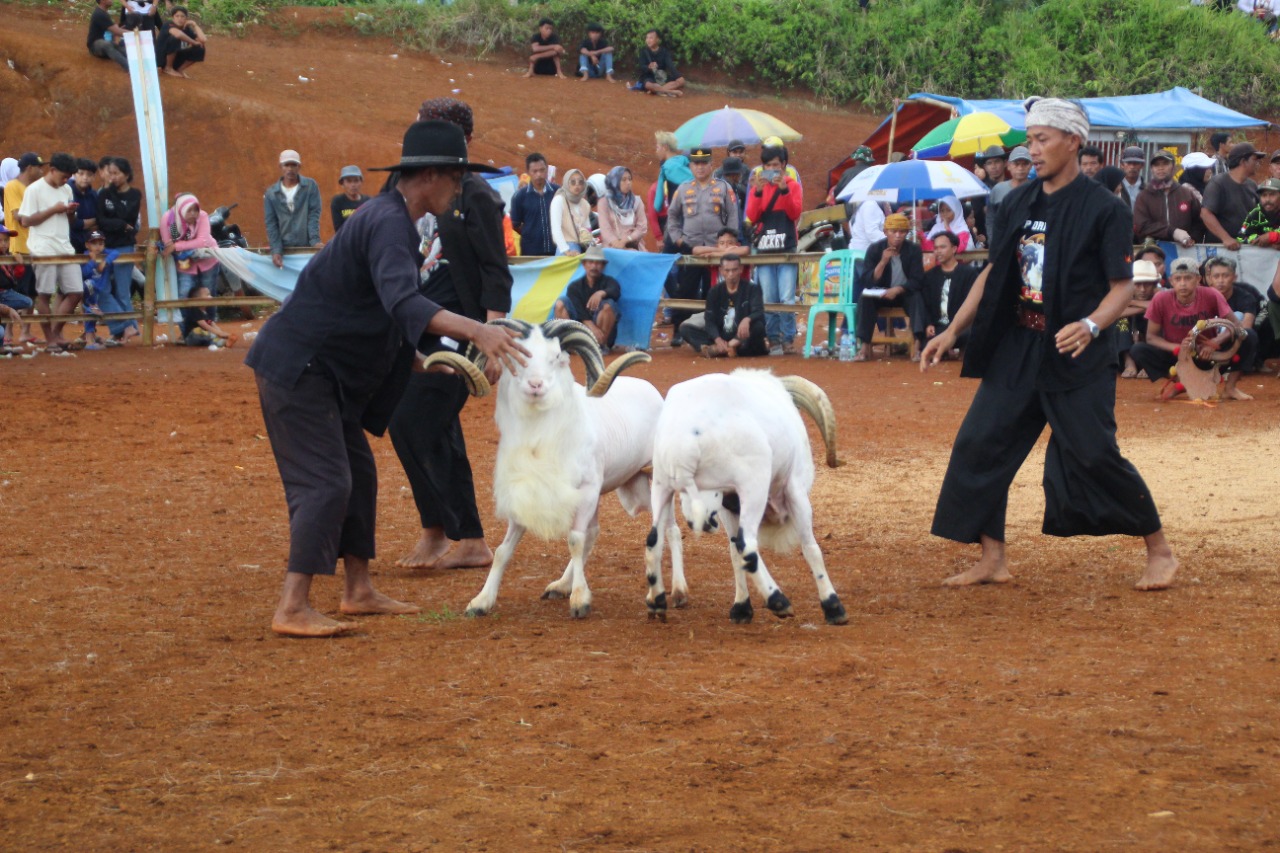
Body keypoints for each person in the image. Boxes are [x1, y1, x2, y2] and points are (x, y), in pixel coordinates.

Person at [245, 120, 528, 638]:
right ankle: (292, 605)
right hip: (299, 368)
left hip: (320, 371)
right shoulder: (388, 223)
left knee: (359, 474)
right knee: (326, 482)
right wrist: (480, 332)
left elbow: (381, 313)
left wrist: (432, 360)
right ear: (432, 177)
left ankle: (357, 591)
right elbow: (404, 303)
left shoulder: (392, 221)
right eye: (457, 178)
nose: (461, 188)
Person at [920, 95, 1177, 592]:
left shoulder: (1105, 209)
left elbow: (1122, 286)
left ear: (1072, 141)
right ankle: (993, 558)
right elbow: (995, 272)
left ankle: (1160, 550)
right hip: (1019, 344)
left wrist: (1092, 325)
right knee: (982, 443)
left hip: (1078, 351)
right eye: (1028, 139)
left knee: (1094, 453)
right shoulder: (1016, 200)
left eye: (1041, 139)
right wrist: (953, 330)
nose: (1031, 150)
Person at [389, 97, 515, 575]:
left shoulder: (477, 195)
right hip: (415, 325)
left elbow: (494, 270)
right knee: (415, 423)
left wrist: (493, 336)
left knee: (419, 420)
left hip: (462, 327)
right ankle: (446, 531)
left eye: (429, 128)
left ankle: (462, 535)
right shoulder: (401, 183)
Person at [1129, 257, 1254, 400]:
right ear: (1171, 281)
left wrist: (1215, 342)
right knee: (1138, 349)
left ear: (1198, 279)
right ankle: (1183, 383)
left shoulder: (1211, 294)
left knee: (1248, 335)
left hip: (1206, 355)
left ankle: (1230, 388)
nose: (1182, 284)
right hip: (1177, 356)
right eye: (1178, 279)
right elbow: (1151, 337)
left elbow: (1236, 325)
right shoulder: (1161, 299)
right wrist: (1177, 348)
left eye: (1188, 278)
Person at [665, 146, 740, 346]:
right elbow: (672, 216)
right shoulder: (683, 189)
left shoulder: (724, 187)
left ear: (711, 165)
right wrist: (679, 240)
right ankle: (679, 330)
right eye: (696, 163)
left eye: (704, 163)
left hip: (717, 251)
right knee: (685, 290)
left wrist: (729, 242)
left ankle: (711, 331)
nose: (700, 168)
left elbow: (733, 215)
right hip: (691, 249)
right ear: (690, 166)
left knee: (713, 291)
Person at [17, 153, 84, 351]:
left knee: (75, 292)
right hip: (42, 247)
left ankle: (55, 334)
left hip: (64, 246)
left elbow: (70, 221)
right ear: (52, 170)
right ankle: (51, 338)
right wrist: (54, 210)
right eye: (63, 176)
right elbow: (26, 221)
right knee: (44, 294)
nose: (65, 180)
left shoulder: (67, 189)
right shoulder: (34, 190)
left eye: (68, 177)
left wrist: (70, 212)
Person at [745, 143, 802, 355]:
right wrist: (758, 193)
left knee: (787, 296)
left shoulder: (792, 185)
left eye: (776, 165)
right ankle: (774, 339)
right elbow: (752, 216)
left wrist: (784, 190)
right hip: (765, 249)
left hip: (786, 246)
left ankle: (787, 339)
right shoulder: (758, 188)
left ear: (784, 165)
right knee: (768, 296)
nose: (772, 169)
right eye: (768, 165)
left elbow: (794, 213)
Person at [852, 213, 926, 361]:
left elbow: (917, 280)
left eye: (902, 232)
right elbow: (867, 280)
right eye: (893, 231)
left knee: (917, 298)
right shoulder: (874, 249)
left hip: (904, 293)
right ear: (885, 232)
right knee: (865, 298)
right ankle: (864, 346)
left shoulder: (913, 250)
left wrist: (898, 289)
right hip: (881, 293)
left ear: (906, 233)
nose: (898, 235)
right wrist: (883, 261)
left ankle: (917, 345)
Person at [160, 191, 223, 337]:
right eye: (190, 210)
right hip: (184, 263)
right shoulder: (169, 220)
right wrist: (177, 247)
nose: (194, 213)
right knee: (184, 293)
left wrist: (177, 246)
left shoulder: (203, 216)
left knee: (208, 293)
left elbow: (203, 241)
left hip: (208, 260)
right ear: (181, 209)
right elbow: (167, 243)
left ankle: (210, 330)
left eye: (196, 209)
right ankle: (186, 331)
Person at [680, 254, 766, 357]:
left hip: (742, 338)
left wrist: (747, 319)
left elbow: (759, 311)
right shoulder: (714, 291)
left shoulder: (752, 289)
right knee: (685, 329)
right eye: (727, 270)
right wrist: (717, 338)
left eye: (734, 270)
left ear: (741, 269)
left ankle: (721, 349)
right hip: (722, 334)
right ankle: (725, 348)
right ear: (721, 270)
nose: (731, 274)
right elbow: (709, 319)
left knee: (758, 327)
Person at [95, 156, 142, 343]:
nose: (112, 177)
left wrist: (119, 222)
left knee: (122, 290)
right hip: (105, 247)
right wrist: (121, 224)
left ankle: (121, 332)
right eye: (110, 173)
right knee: (103, 289)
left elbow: (128, 217)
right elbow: (101, 221)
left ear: (126, 174)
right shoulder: (103, 194)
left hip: (124, 246)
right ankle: (127, 327)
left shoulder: (134, 194)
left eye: (116, 173)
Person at [1203, 255, 1263, 374]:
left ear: (1234, 277)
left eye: (1225, 276)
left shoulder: (1246, 297)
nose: (1220, 280)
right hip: (1204, 344)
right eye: (1216, 276)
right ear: (1209, 278)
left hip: (1229, 343)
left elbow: (1246, 327)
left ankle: (1235, 368)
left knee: (1243, 324)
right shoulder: (1201, 296)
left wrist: (1218, 341)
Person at [264, 149, 323, 269]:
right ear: (280, 166)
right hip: (284, 249)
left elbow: (313, 214)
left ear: (299, 166)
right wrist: (276, 250)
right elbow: (271, 223)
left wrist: (314, 241)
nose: (290, 169)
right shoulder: (271, 194)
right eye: (287, 165)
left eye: (293, 165)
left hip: (305, 247)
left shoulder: (310, 186)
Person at [922, 230, 978, 355]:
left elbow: (973, 305)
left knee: (972, 334)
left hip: (961, 327)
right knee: (925, 340)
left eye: (942, 247)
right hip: (938, 327)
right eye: (936, 248)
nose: (938, 251)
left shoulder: (969, 274)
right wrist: (929, 324)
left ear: (954, 249)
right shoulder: (930, 276)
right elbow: (925, 304)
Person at [1134, 149, 1203, 247]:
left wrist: (1193, 238)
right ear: (1151, 169)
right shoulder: (1144, 196)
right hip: (1153, 250)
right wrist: (1173, 232)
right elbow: (1142, 226)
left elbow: (1200, 221)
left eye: (1165, 164)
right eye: (1156, 165)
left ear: (1174, 167)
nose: (1160, 168)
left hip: (1184, 249)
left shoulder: (1186, 193)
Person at [554, 245, 620, 347]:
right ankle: (569, 344)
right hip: (581, 328)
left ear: (603, 266)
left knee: (608, 306)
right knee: (560, 304)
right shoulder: (574, 287)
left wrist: (601, 293)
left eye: (598, 263)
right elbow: (579, 311)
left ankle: (600, 346)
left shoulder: (610, 282)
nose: (594, 266)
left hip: (603, 334)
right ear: (584, 264)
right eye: (591, 262)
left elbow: (616, 291)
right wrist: (592, 328)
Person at [1201, 142, 1262, 248]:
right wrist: (1226, 238)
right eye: (1254, 159)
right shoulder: (1218, 183)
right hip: (1220, 250)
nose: (1257, 163)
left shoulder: (1252, 185)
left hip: (1247, 250)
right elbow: (1205, 214)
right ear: (1243, 162)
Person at [1115, 259, 1161, 378]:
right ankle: (1129, 362)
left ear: (1154, 284)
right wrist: (1146, 306)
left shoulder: (1161, 294)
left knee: (1156, 317)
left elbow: (1160, 305)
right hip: (1128, 346)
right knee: (1121, 321)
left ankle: (1149, 364)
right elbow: (1116, 314)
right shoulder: (1122, 294)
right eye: (1137, 284)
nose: (1142, 289)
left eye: (1147, 284)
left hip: (1153, 351)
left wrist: (1133, 302)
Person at [508, 152, 558, 256]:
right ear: (528, 172)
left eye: (542, 170)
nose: (539, 174)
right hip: (530, 253)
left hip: (556, 250)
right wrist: (529, 233)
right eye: (534, 171)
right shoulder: (519, 197)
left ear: (547, 170)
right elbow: (514, 224)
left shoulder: (558, 192)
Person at [983, 146, 1031, 248]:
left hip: (1029, 244)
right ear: (1009, 165)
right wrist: (993, 242)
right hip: (1003, 244)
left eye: (1025, 164)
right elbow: (991, 219)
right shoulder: (998, 190)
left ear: (1031, 165)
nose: (1020, 168)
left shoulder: (1037, 189)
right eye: (1016, 164)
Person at [4, 153, 44, 260]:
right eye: (39, 167)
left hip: (35, 248)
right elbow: (19, 217)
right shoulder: (12, 186)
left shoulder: (34, 188)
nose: (42, 171)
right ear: (30, 168)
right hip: (19, 249)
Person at [596, 166, 648, 250]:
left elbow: (642, 227)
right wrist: (616, 243)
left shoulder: (637, 202)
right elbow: (605, 228)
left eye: (629, 179)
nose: (628, 183)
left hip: (633, 247)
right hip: (611, 247)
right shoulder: (604, 203)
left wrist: (626, 240)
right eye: (623, 180)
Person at [0, 227, 34, 349]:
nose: (4, 244)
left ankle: (1, 345)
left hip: (6, 293)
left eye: (6, 240)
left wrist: (18, 264)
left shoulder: (7, 257)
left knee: (27, 302)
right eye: (1, 241)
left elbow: (15, 278)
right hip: (3, 293)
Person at [548, 169, 594, 256]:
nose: (577, 185)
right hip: (564, 249)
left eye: (580, 182)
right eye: (573, 182)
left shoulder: (585, 204)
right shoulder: (559, 200)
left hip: (579, 249)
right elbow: (556, 229)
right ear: (566, 183)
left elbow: (587, 228)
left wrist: (588, 238)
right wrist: (566, 251)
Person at [155, 6, 207, 78]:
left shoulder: (186, 28)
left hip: (176, 58)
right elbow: (178, 34)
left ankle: (180, 69)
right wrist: (194, 42)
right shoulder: (168, 24)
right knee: (175, 38)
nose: (180, 19)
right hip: (161, 59)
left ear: (186, 18)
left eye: (183, 16)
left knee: (200, 47)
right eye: (177, 16)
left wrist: (194, 25)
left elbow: (203, 40)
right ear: (173, 17)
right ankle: (168, 68)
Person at [637, 29, 685, 97]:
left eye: (651, 38)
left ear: (658, 39)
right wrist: (649, 67)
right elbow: (642, 66)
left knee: (681, 80)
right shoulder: (643, 51)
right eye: (647, 38)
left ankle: (656, 91)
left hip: (661, 77)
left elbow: (671, 66)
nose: (648, 40)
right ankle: (669, 91)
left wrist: (678, 77)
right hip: (649, 77)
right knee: (648, 85)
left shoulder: (664, 52)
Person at [87, 0, 129, 72]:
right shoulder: (100, 14)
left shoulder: (102, 12)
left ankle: (135, 62)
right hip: (95, 46)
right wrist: (135, 33)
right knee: (107, 45)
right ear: (102, 1)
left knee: (122, 50)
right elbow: (117, 31)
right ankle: (128, 66)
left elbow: (113, 29)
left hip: (104, 43)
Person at [68, 158, 99, 255]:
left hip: (89, 246)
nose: (85, 177)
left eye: (89, 174)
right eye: (81, 173)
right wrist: (95, 220)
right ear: (74, 174)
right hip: (69, 245)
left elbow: (101, 220)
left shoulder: (94, 195)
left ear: (94, 176)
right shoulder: (67, 192)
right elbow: (74, 224)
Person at [1237, 176, 1280, 246]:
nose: (1267, 200)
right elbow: (1240, 237)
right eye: (1264, 195)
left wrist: (1273, 237)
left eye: (1272, 195)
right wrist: (1258, 239)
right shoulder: (1254, 214)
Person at [330, 165, 369, 233]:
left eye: (356, 181)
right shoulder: (338, 201)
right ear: (342, 184)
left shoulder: (368, 201)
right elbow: (338, 229)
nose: (353, 185)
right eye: (349, 181)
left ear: (361, 182)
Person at [1118, 146, 1145, 211]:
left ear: (1142, 165)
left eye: (1136, 163)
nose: (1132, 167)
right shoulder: (1115, 188)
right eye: (1129, 163)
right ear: (1122, 165)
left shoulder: (1149, 189)